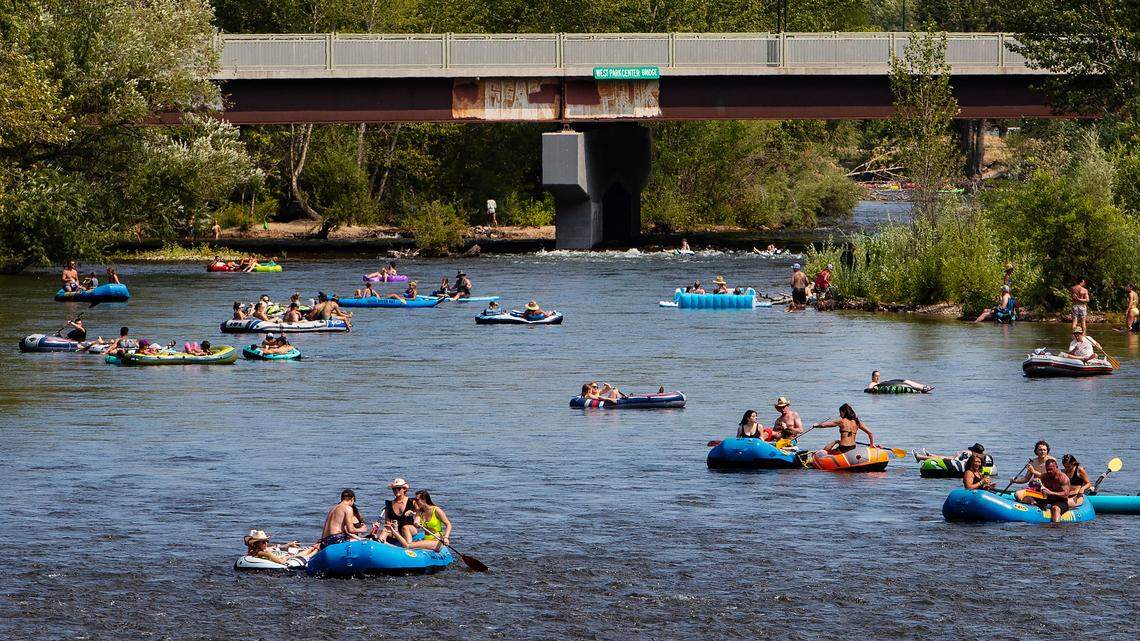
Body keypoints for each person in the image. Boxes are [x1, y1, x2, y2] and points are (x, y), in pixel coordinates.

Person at [1037, 458, 1077, 523]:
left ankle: (1056, 526)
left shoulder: (1063, 478)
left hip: (1061, 501)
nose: (1049, 471)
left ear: (1056, 467)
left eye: (1051, 469)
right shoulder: (1044, 476)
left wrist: (1050, 493)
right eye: (1047, 469)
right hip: (1048, 499)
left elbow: (1066, 494)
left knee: (1055, 508)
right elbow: (1035, 487)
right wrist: (1035, 484)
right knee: (1028, 498)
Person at [383, 478, 418, 543]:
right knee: (384, 530)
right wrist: (392, 526)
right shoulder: (389, 505)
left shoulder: (412, 502)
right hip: (396, 530)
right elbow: (387, 522)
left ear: (404, 489)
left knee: (405, 528)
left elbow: (420, 515)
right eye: (394, 489)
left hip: (410, 528)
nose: (396, 490)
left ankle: (408, 546)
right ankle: (380, 546)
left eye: (399, 488)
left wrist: (413, 513)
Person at [913, 443, 991, 472]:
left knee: (943, 458)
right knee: (945, 457)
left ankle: (921, 457)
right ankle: (927, 455)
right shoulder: (977, 456)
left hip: (958, 463)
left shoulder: (974, 457)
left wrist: (960, 456)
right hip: (958, 462)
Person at [865, 370, 933, 393]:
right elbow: (869, 388)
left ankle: (922, 386)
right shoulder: (873, 383)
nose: (877, 377)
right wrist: (872, 389)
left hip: (886, 383)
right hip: (885, 385)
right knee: (904, 383)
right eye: (876, 376)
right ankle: (922, 388)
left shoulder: (878, 382)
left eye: (878, 376)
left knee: (905, 381)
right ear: (872, 377)